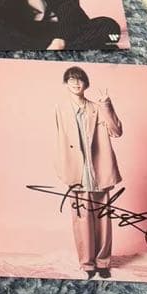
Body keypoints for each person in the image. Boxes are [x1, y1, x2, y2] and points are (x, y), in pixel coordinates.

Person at [54, 67, 123, 279]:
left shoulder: (97, 107)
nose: (76, 83)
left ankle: (103, 263)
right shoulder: (61, 109)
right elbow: (60, 139)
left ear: (86, 84)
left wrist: (106, 104)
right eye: (71, 80)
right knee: (81, 219)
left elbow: (116, 131)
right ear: (65, 83)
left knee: (103, 218)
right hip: (76, 171)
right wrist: (63, 168)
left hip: (99, 170)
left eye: (80, 80)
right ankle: (87, 264)